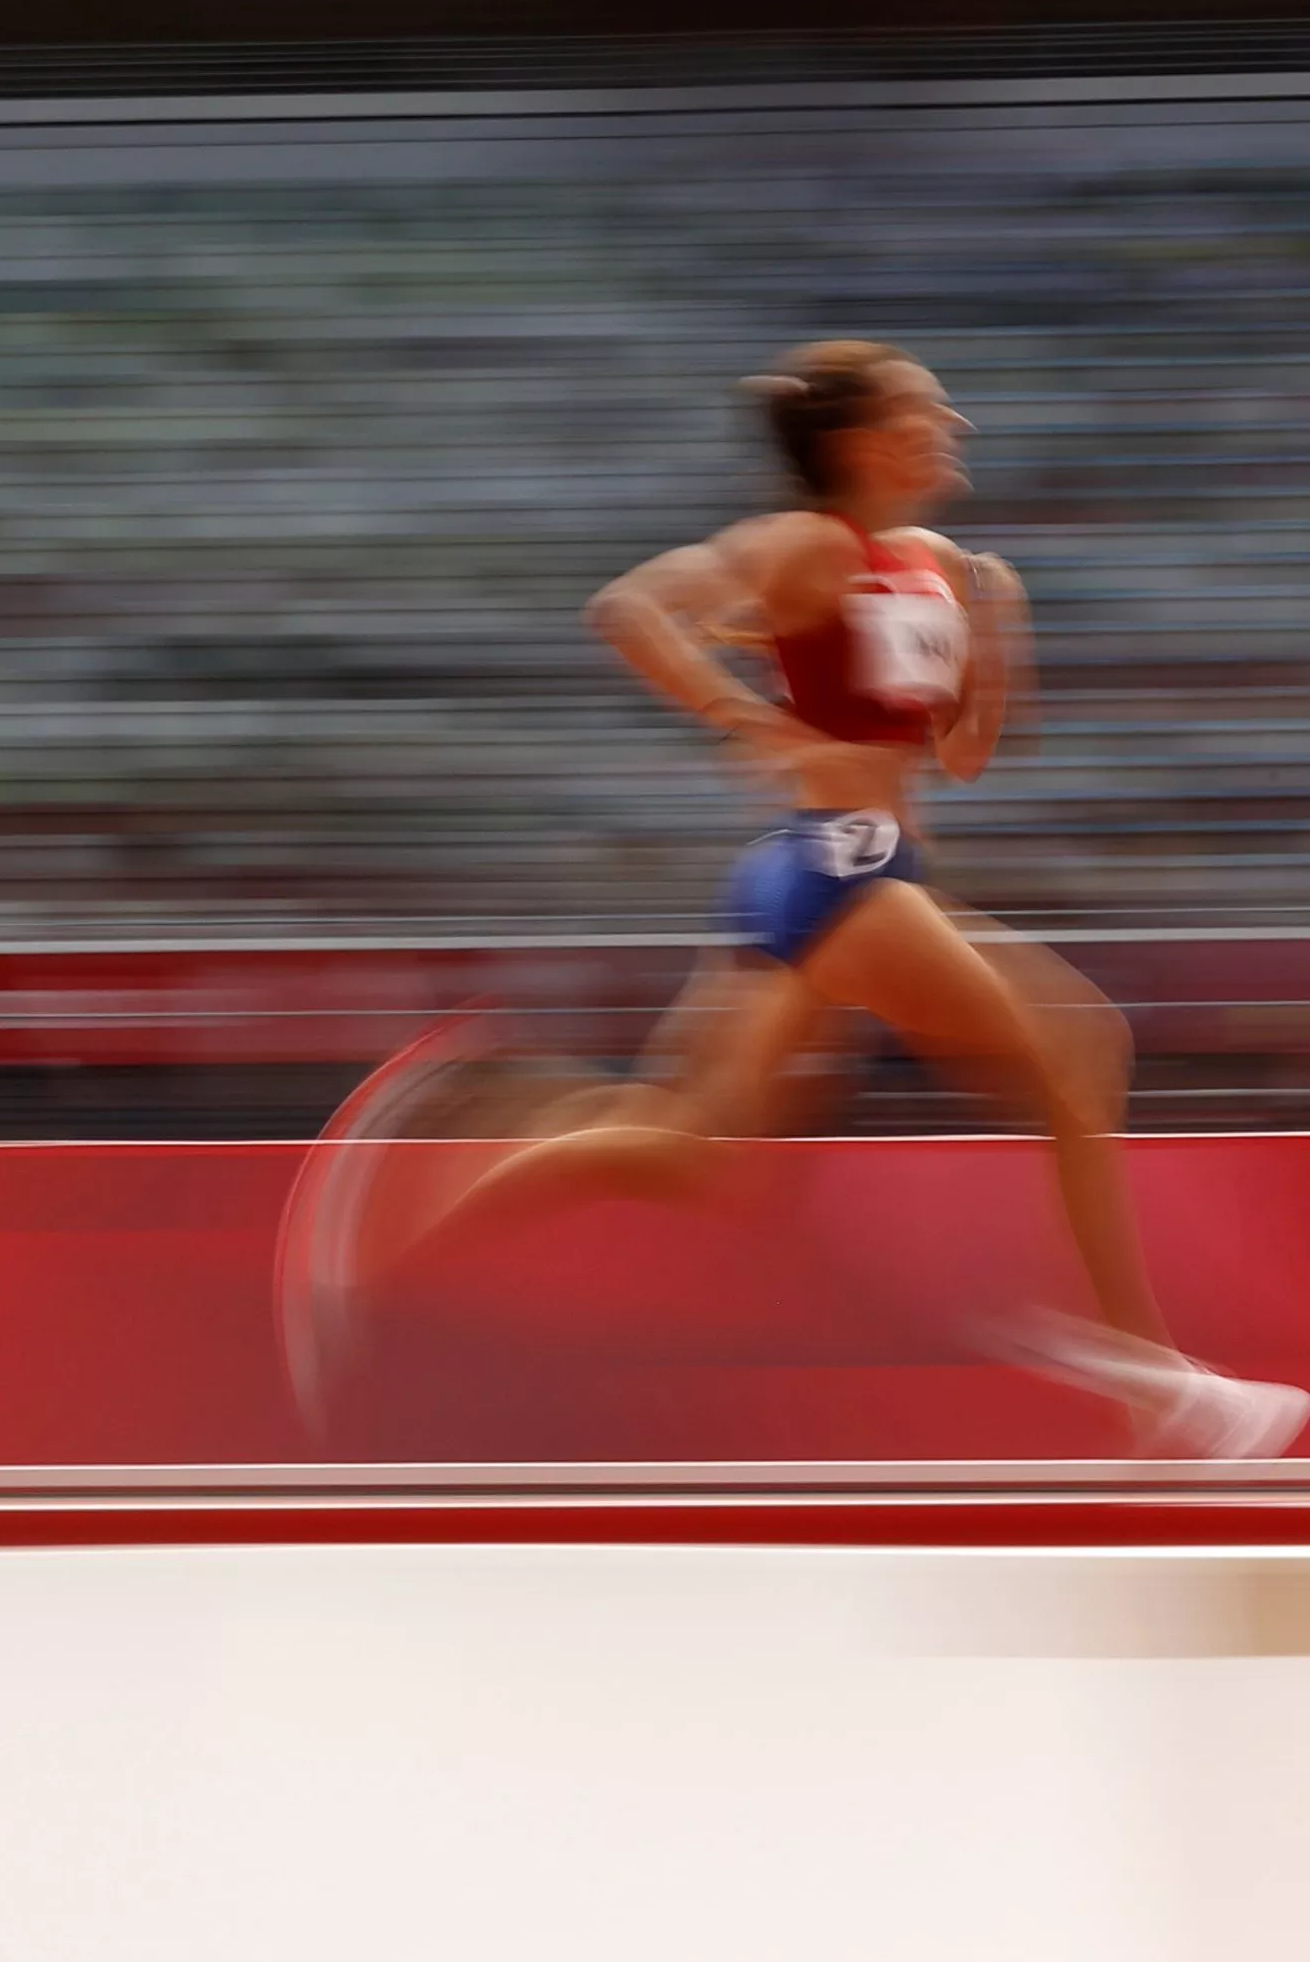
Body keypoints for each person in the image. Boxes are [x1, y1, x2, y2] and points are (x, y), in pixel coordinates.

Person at [278, 342, 1306, 1459]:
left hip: (848, 871)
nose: (952, 421)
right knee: (1073, 1047)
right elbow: (631, 607)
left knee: (689, 1146)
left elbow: (959, 757)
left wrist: (995, 632)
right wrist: (750, 720)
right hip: (836, 868)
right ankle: (1154, 1382)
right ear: (864, 443)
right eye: (927, 409)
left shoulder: (935, 564)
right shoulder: (805, 546)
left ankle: (426, 1158)